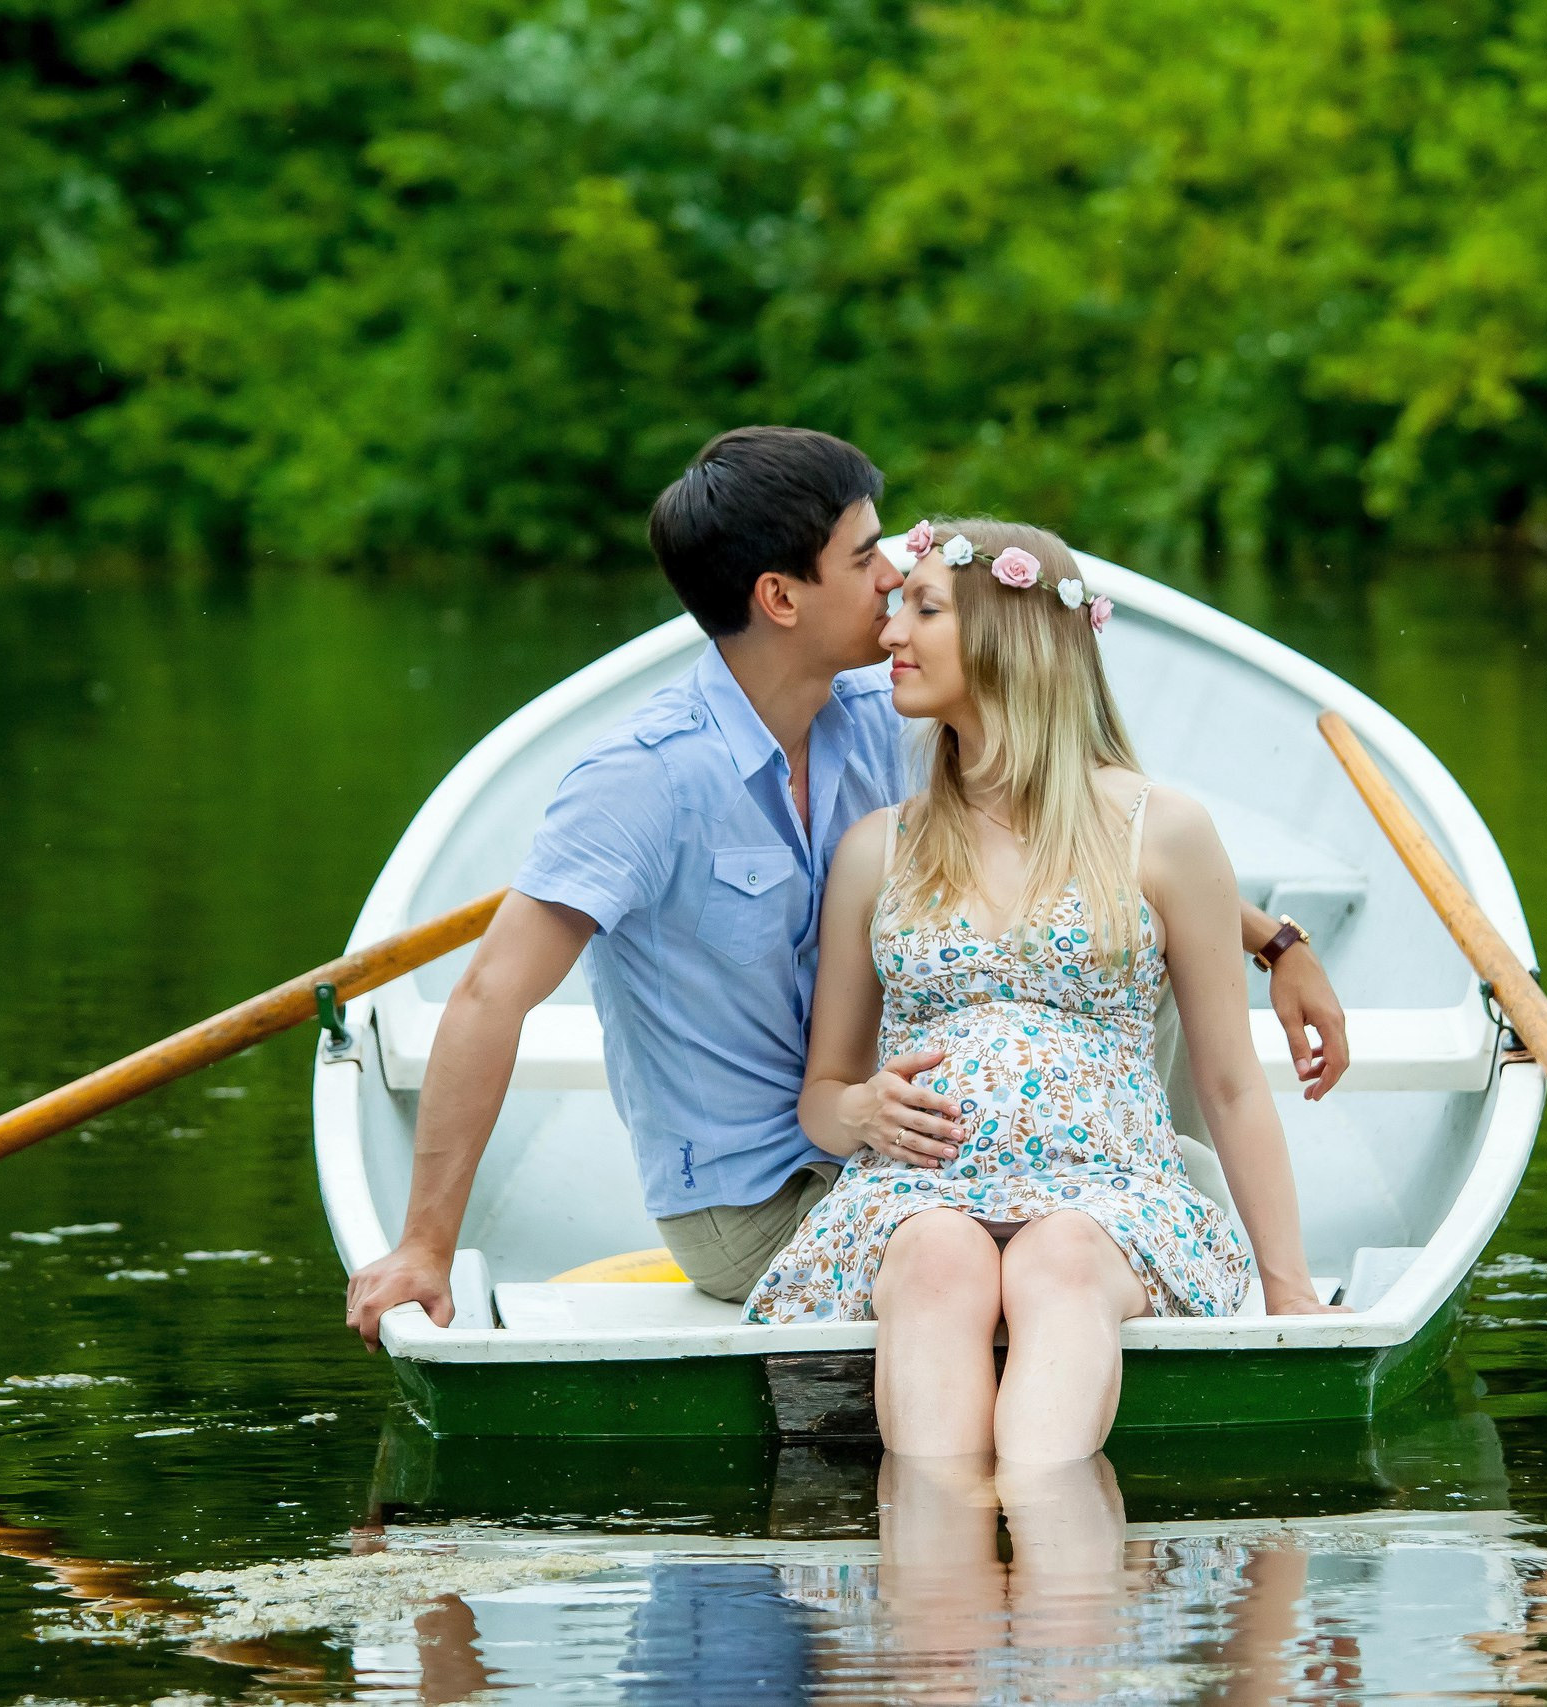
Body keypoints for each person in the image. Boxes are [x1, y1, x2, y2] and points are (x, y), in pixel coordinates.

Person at [344, 431, 1350, 1346]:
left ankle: (1137, 1191)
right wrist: (425, 1245)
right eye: (868, 558)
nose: (895, 576)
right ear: (782, 598)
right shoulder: (641, 781)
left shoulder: (879, 708)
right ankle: (1120, 1224)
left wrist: (1269, 942)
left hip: (923, 1137)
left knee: (1113, 954)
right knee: (993, 1227)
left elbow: (1082, 834)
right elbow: (487, 998)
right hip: (761, 1195)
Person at [743, 519, 1342, 1463]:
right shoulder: (878, 849)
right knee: (940, 1260)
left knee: (1057, 1260)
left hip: (1110, 1196)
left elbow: (1229, 1086)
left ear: (1008, 637)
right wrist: (860, 1108)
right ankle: (945, 1568)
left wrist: (1291, 1290)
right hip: (917, 1197)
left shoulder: (1162, 830)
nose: (890, 635)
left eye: (923, 609)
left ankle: (1053, 1551)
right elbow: (823, 1098)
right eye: (897, 608)